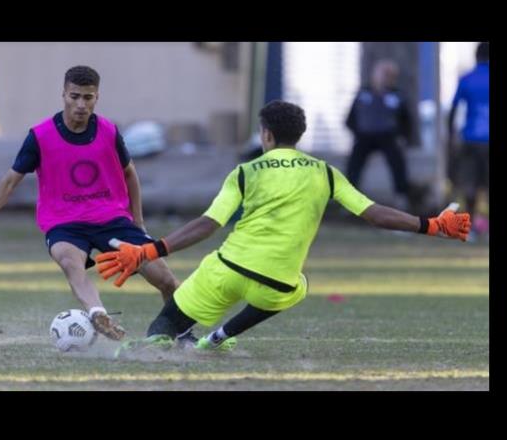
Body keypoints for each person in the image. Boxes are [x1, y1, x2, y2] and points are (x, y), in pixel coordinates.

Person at [94, 100, 471, 354]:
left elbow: (207, 225)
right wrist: (431, 225)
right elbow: (374, 214)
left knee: (166, 322)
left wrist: (149, 250)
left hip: (227, 271)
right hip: (277, 284)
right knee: (299, 286)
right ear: (299, 136)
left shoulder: (245, 172)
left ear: (266, 135)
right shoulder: (324, 172)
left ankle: (154, 347)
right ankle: (216, 340)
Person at [0, 65, 184, 342]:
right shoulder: (40, 136)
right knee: (71, 262)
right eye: (75, 96)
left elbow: (130, 173)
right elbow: (10, 180)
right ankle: (97, 313)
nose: (81, 104)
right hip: (64, 222)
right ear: (64, 95)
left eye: (88, 97)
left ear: (97, 98)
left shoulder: (108, 131)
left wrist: (137, 221)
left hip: (112, 219)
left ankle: (181, 333)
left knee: (165, 279)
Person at [345, 59, 415, 211]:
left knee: (397, 160)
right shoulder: (363, 93)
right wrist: (357, 132)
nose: (386, 78)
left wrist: (403, 138)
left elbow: (406, 121)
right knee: (354, 162)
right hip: (365, 136)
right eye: (383, 74)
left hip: (388, 136)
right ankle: (348, 198)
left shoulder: (397, 96)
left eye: (390, 75)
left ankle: (401, 197)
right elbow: (350, 119)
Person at [448, 42, 489, 236]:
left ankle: (470, 229)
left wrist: (451, 135)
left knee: (470, 185)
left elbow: (454, 109)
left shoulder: (467, 79)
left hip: (471, 138)